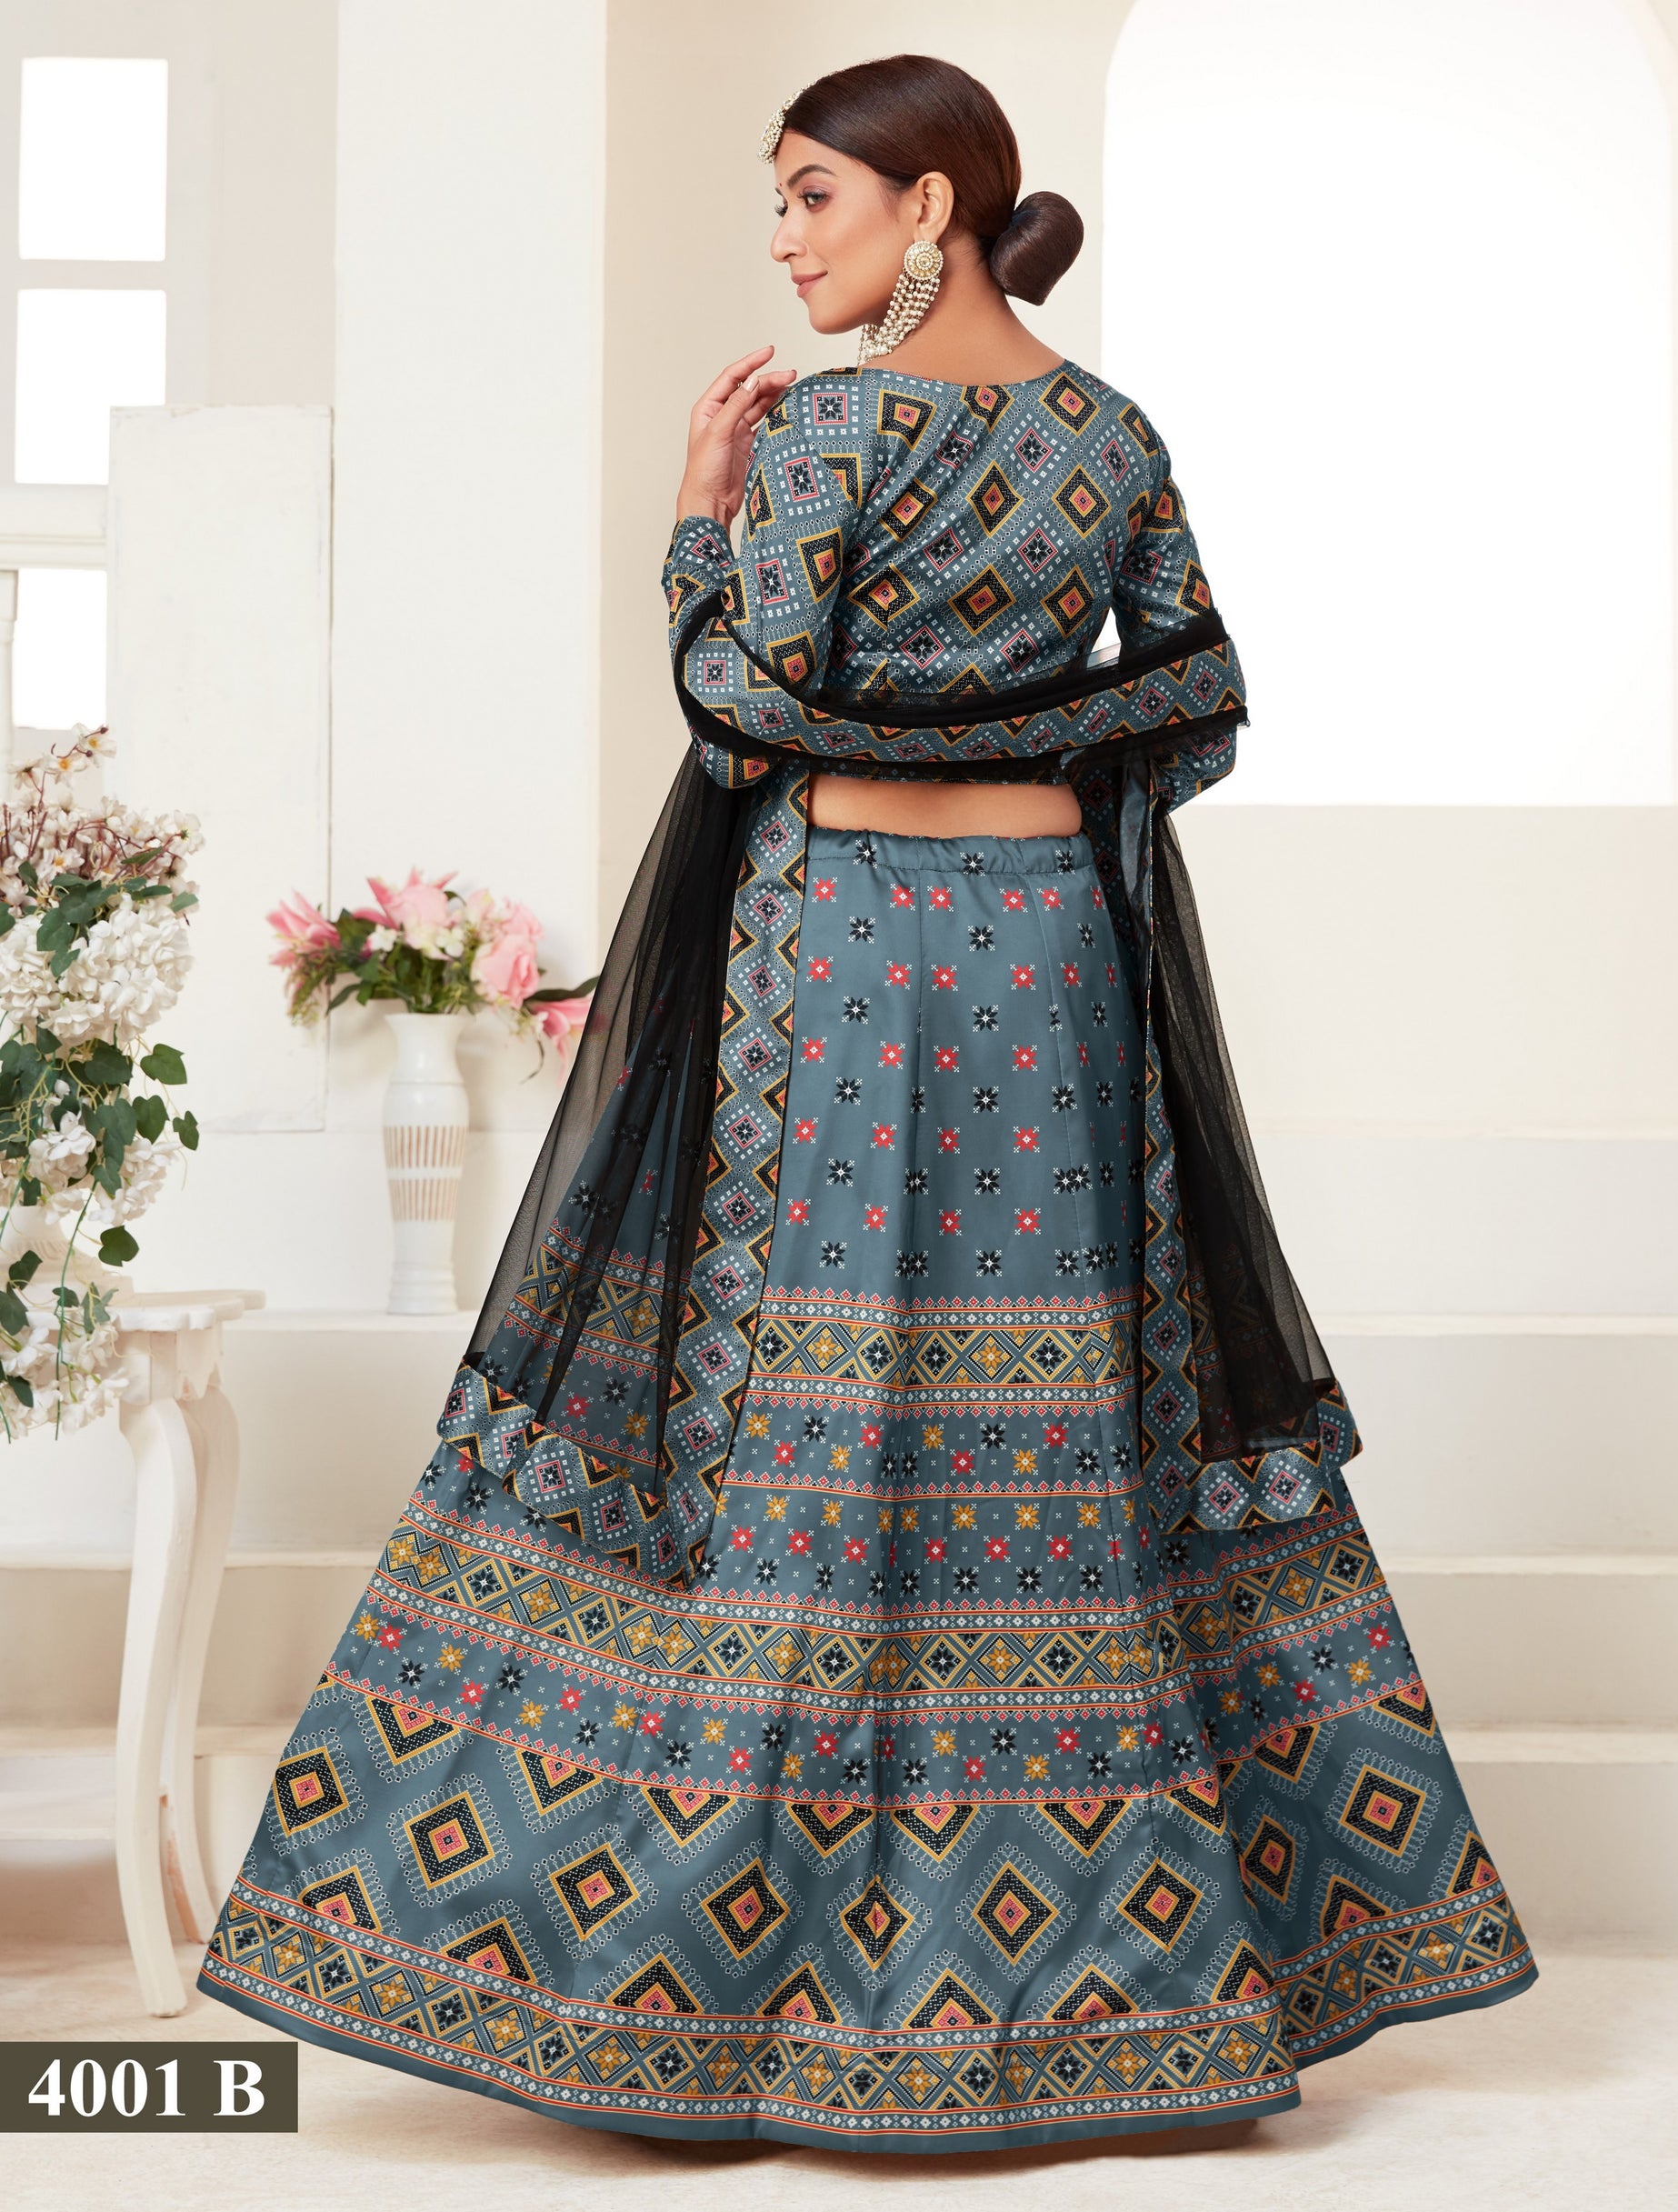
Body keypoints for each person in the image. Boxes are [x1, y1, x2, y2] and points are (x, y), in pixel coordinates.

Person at [199, 54, 1535, 2152]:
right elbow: (1191, 693)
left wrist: (685, 532)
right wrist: (1031, 725)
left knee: (801, 1414)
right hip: (1048, 956)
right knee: (1056, 1403)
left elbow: (742, 699)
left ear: (934, 208)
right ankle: (1125, 1979)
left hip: (845, 951)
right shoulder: (1109, 434)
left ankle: (724, 1977)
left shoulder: (823, 430)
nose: (785, 235)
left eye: (814, 193)